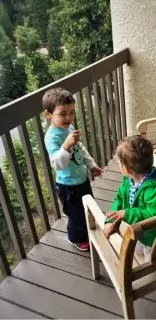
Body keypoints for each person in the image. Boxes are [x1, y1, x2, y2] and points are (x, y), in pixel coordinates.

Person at [43, 87, 103, 251]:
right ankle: (75, 238)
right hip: (68, 185)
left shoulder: (68, 127)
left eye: (71, 112)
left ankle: (87, 227)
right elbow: (57, 164)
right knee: (76, 215)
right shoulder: (51, 137)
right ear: (48, 114)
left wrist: (91, 165)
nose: (69, 117)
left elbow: (80, 148)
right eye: (63, 114)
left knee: (87, 207)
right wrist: (66, 146)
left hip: (82, 179)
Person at [104, 135, 156, 261]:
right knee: (137, 250)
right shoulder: (129, 180)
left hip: (155, 235)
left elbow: (155, 216)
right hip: (140, 231)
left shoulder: (155, 189)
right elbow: (119, 199)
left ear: (126, 169)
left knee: (153, 262)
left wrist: (127, 213)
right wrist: (111, 221)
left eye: (119, 163)